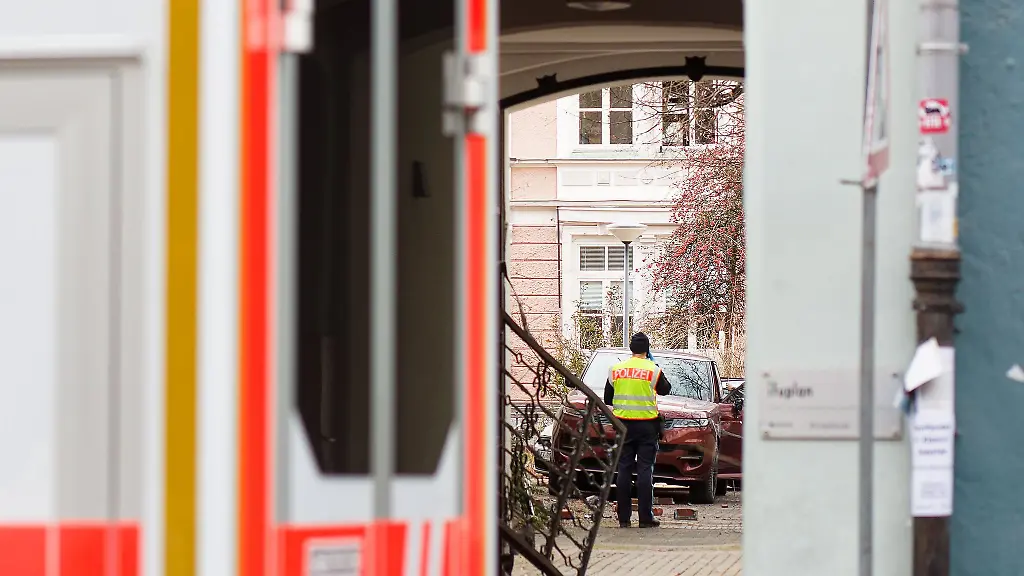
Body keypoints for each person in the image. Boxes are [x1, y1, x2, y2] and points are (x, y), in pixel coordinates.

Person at [604, 332, 671, 528]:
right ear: (647, 349)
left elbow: (608, 399)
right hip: (646, 426)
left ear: (631, 349)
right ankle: (645, 517)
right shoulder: (653, 370)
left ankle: (623, 518)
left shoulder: (615, 369)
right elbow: (666, 389)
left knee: (623, 469)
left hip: (622, 425)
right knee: (644, 470)